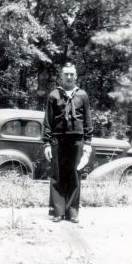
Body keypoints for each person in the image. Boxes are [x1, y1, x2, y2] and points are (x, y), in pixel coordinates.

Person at [43, 62, 93, 223]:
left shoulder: (82, 95)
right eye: (66, 74)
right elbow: (47, 121)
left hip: (77, 140)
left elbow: (87, 120)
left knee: (74, 174)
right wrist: (47, 144)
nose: (69, 77)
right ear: (61, 76)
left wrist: (88, 143)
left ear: (76, 76)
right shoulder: (54, 95)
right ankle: (57, 211)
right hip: (58, 140)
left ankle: (72, 212)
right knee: (57, 175)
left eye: (72, 74)